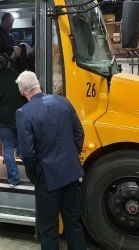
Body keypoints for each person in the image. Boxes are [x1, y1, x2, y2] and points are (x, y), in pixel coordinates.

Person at [15, 71, 87, 250]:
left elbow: (27, 153)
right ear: (38, 82)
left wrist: (35, 175)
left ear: (22, 92)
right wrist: (71, 156)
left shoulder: (24, 113)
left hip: (47, 178)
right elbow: (79, 133)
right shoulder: (63, 101)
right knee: (73, 222)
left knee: (48, 228)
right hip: (70, 173)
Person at [0, 54, 27, 187]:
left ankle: (13, 180)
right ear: (9, 63)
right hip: (17, 116)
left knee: (7, 148)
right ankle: (31, 174)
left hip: (0, 117)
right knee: (23, 144)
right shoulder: (17, 77)